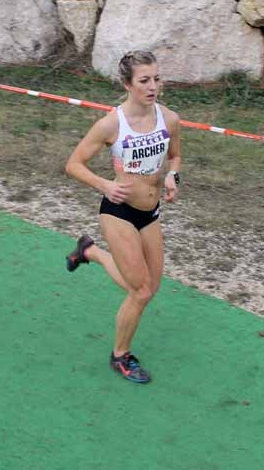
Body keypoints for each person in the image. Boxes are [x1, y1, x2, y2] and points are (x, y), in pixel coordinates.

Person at [64, 50, 182, 384]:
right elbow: (73, 164)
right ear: (127, 84)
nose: (153, 86)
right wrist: (104, 184)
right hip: (117, 211)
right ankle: (120, 356)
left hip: (151, 212)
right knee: (141, 292)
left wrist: (173, 177)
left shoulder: (169, 119)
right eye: (144, 80)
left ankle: (91, 252)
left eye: (156, 79)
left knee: (148, 287)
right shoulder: (110, 124)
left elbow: (175, 157)